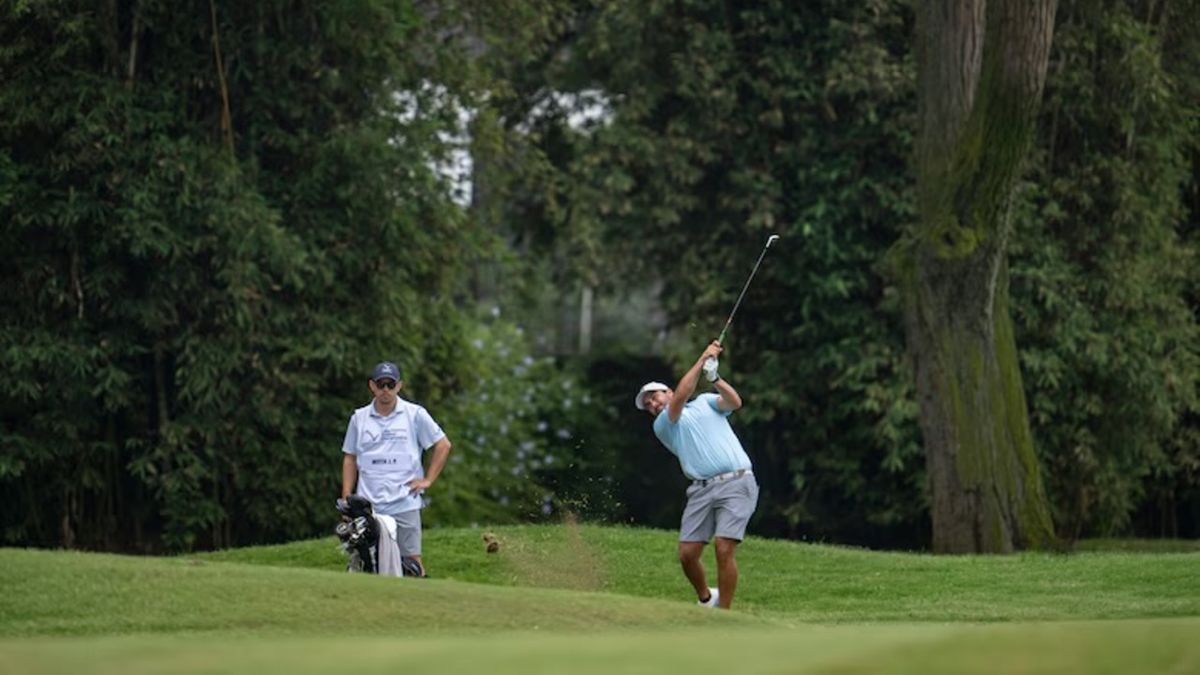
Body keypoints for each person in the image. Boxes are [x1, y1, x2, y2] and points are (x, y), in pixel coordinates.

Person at [635, 340, 759, 609]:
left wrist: (714, 378)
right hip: (701, 490)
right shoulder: (664, 424)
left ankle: (724, 615)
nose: (652, 404)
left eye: (654, 397)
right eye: (648, 405)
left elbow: (734, 402)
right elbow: (681, 396)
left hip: (737, 481)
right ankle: (706, 598)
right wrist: (703, 359)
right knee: (687, 555)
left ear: (666, 391)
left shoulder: (704, 402)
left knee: (724, 548)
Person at [342, 361, 452, 576]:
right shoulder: (359, 418)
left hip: (404, 501)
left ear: (399, 386)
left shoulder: (415, 414)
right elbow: (350, 457)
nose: (385, 390)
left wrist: (428, 480)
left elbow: (443, 445)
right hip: (368, 504)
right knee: (364, 559)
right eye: (380, 384)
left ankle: (419, 604)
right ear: (372, 386)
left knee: (412, 561)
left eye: (390, 385)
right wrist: (347, 496)